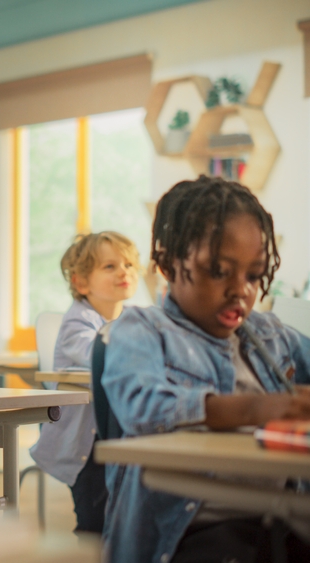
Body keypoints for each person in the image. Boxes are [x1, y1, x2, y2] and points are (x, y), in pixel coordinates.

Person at [101, 176, 310, 563]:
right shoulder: (144, 330)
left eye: (253, 275)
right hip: (190, 530)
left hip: (279, 514)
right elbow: (142, 407)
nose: (240, 290)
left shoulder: (272, 335)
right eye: (218, 271)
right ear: (166, 264)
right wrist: (257, 408)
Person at [28, 231, 139, 534]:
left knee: (123, 519)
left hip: (114, 437)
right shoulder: (79, 320)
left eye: (129, 264)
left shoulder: (132, 318)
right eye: (110, 266)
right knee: (95, 523)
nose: (124, 272)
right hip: (83, 445)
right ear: (80, 282)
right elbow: (101, 354)